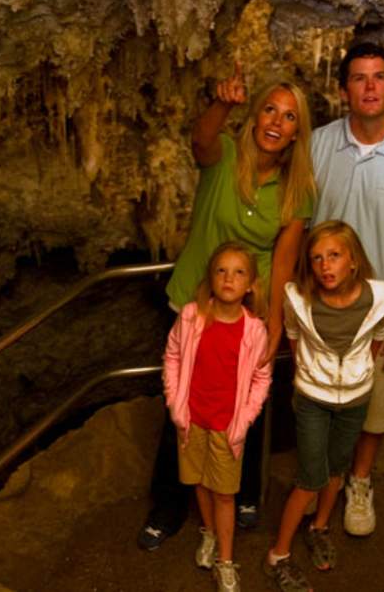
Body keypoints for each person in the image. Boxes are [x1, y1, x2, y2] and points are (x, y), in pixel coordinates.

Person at [138, 66, 315, 550]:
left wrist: (274, 323)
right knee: (184, 408)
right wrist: (223, 105)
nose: (276, 122)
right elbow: (201, 141)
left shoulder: (297, 190)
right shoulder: (226, 157)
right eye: (269, 110)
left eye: (289, 117)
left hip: (248, 313)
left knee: (245, 408)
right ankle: (168, 504)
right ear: (255, 115)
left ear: (299, 131)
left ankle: (241, 495)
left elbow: (282, 261)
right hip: (197, 304)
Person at [311, 41, 384, 537]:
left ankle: (359, 480)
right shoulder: (317, 146)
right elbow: (297, 230)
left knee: (377, 408)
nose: (370, 86)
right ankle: (322, 480)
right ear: (343, 90)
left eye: (379, 77)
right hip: (322, 309)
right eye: (359, 78)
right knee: (321, 400)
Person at [264, 220, 384, 591]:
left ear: (353, 261)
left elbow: (377, 339)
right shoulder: (299, 298)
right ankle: (278, 555)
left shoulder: (381, 296)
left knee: (337, 467)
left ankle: (319, 527)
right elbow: (292, 335)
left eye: (334, 256)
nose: (325, 265)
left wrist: (357, 374)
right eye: (317, 258)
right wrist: (309, 373)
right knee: (310, 478)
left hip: (355, 398)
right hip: (312, 399)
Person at [164, 242, 272, 592]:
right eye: (221, 270)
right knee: (199, 480)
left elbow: (261, 378)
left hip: (228, 427)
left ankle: (226, 560)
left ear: (251, 285)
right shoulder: (192, 316)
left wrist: (244, 420)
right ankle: (208, 533)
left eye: (239, 272)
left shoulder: (254, 330)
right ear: (211, 279)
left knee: (225, 494)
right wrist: (176, 405)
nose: (229, 278)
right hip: (192, 420)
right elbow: (173, 356)